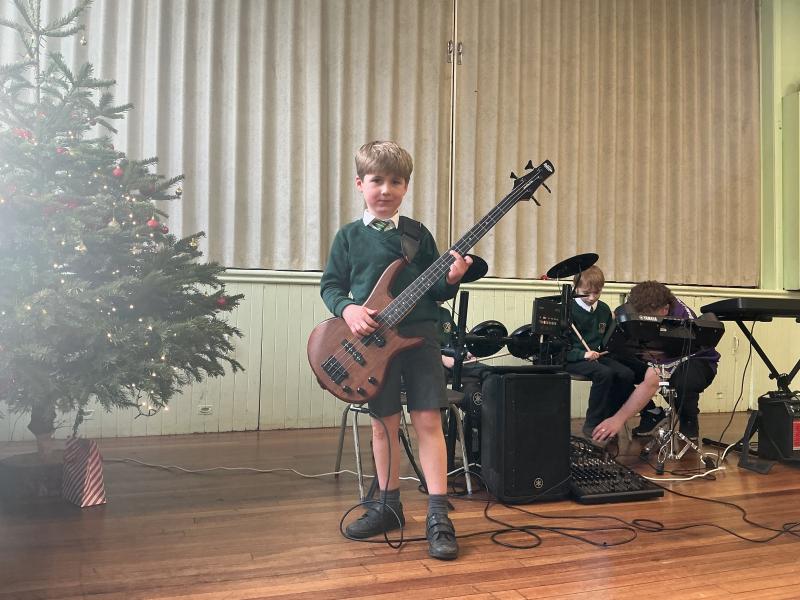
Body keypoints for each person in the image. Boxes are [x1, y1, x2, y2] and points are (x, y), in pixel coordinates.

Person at [320, 140, 471, 560]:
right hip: (371, 345)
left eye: (396, 182)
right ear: (360, 184)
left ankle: (438, 514)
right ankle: (388, 505)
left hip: (420, 338)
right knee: (382, 424)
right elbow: (330, 286)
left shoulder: (418, 235)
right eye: (377, 181)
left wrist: (452, 278)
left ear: (406, 186)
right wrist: (348, 309)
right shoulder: (348, 236)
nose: (385, 190)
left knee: (428, 420)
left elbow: (436, 290)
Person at [589, 280, 720, 443]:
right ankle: (652, 413)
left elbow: (653, 380)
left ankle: (688, 419)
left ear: (665, 310)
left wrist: (618, 419)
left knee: (684, 379)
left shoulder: (681, 322)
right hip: (655, 354)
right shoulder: (640, 305)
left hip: (697, 361)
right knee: (613, 363)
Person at [563, 266, 640, 438]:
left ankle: (610, 418)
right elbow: (561, 348)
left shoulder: (604, 309)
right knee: (604, 373)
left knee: (626, 374)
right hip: (572, 358)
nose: (592, 298)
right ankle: (593, 422)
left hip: (596, 356)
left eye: (596, 293)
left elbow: (607, 341)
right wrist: (582, 354)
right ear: (575, 288)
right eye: (586, 293)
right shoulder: (567, 309)